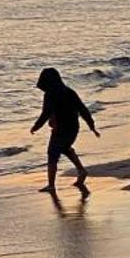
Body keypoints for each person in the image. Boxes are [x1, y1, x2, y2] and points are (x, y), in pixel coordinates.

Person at [31, 66, 100, 195]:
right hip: (73, 128)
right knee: (65, 148)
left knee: (52, 154)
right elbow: (83, 109)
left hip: (60, 130)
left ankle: (51, 185)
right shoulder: (69, 91)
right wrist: (92, 126)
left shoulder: (50, 95)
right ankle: (81, 171)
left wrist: (36, 126)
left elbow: (45, 114)